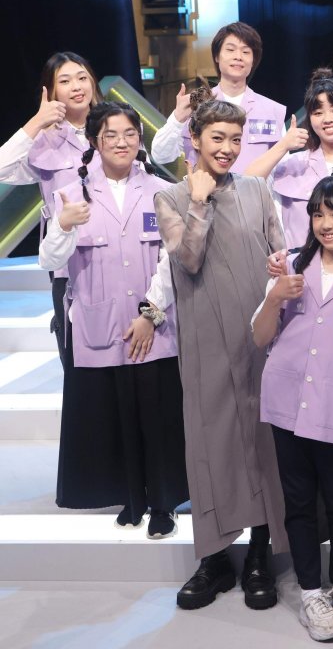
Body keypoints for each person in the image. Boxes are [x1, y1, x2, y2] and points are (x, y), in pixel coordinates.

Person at [154, 91, 288, 611]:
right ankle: (213, 558)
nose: (228, 148)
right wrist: (199, 200)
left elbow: (280, 252)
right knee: (209, 441)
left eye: (236, 139)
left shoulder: (257, 189)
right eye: (217, 138)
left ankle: (259, 553)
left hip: (258, 334)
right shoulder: (170, 197)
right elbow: (187, 258)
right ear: (194, 138)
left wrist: (280, 268)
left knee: (261, 438)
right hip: (205, 337)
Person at [39, 101, 188, 537]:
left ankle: (163, 503)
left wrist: (150, 315)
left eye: (129, 134)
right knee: (116, 414)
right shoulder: (70, 192)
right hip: (99, 327)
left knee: (158, 415)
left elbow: (174, 261)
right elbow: (50, 261)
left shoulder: (163, 190)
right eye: (111, 135)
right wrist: (64, 226)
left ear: (140, 139)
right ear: (94, 141)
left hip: (155, 326)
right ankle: (131, 497)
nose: (121, 142)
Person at [253, 172, 333, 642]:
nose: (326, 224)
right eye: (318, 214)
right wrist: (274, 298)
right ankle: (312, 593)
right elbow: (260, 336)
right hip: (286, 401)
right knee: (298, 501)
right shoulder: (289, 266)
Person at [0, 52, 101, 363]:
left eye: (82, 78)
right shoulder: (44, 140)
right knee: (77, 358)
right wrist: (36, 123)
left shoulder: (116, 128)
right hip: (68, 262)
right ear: (52, 90)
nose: (77, 86)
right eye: (65, 81)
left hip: (123, 253)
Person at [245, 72, 333, 249]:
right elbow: (246, 184)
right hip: (299, 263)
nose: (327, 119)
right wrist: (282, 146)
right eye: (318, 113)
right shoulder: (293, 164)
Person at [150, 22, 286, 173]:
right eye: (230, 50)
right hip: (202, 188)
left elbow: (282, 169)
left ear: (253, 60)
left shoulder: (272, 110)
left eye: (246, 52)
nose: (238, 57)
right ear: (216, 56)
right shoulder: (196, 104)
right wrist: (178, 119)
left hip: (254, 188)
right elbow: (160, 156)